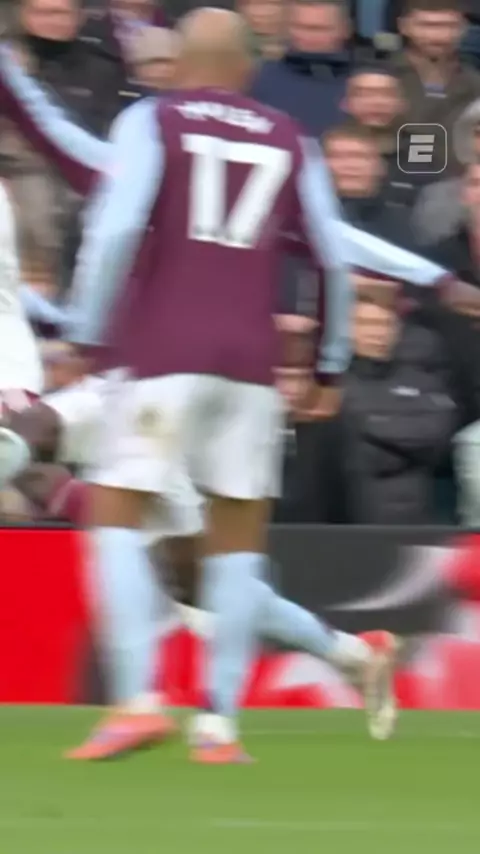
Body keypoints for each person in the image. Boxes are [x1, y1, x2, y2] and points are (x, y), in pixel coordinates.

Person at [63, 5, 457, 765]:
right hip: (251, 364)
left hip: (163, 350)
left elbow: (115, 229)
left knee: (114, 511)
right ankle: (218, 728)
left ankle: (138, 700)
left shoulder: (153, 119)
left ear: (180, 63)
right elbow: (332, 258)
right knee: (234, 548)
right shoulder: (289, 137)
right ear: (249, 68)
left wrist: (86, 330)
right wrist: (331, 364)